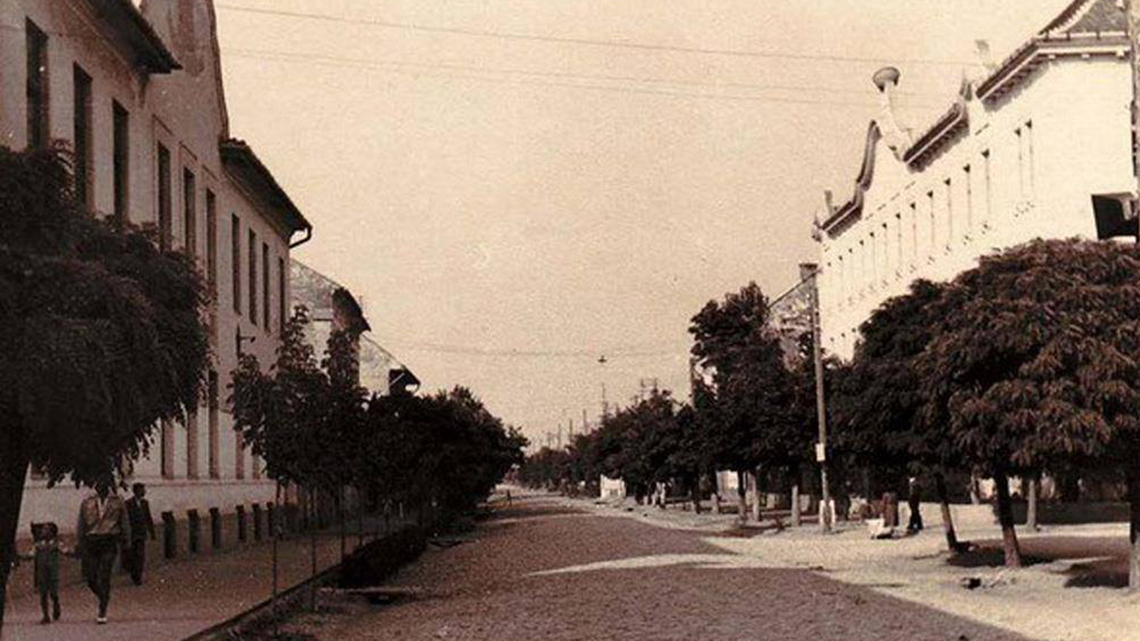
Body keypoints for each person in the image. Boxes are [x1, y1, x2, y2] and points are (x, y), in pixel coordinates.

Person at [76, 479, 130, 624]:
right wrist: (79, 542)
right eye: (99, 482)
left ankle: (102, 609)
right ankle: (103, 596)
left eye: (105, 482)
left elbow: (124, 521)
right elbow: (81, 522)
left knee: (104, 575)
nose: (102, 485)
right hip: (92, 540)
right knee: (90, 577)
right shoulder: (87, 501)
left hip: (109, 540)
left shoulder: (117, 501)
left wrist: (126, 541)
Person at [16, 522, 72, 624]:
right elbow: (30, 555)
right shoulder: (38, 545)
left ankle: (56, 604)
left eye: (46, 530)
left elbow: (66, 551)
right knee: (43, 594)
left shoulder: (56, 544)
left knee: (53, 593)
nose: (44, 532)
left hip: (53, 573)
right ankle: (46, 615)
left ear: (52, 533)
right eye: (43, 530)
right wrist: (19, 556)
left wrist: (76, 553)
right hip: (42, 573)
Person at [124, 483, 156, 585]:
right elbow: (126, 519)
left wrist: (152, 532)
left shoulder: (145, 503)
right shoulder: (128, 503)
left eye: (144, 490)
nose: (144, 492)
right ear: (136, 491)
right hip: (132, 533)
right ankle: (134, 574)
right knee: (133, 555)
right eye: (142, 490)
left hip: (141, 533)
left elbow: (148, 518)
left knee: (140, 555)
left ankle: (138, 576)